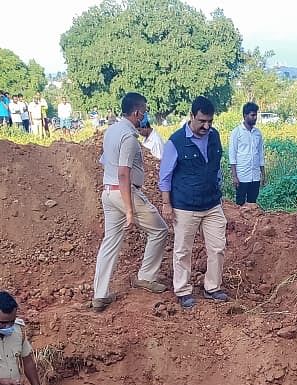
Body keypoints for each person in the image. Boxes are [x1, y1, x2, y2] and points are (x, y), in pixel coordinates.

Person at [92, 92, 170, 312]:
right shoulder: (128, 137)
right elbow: (124, 173)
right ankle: (146, 276)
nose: (145, 117)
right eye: (144, 112)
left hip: (107, 192)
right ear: (137, 113)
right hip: (124, 192)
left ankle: (100, 295)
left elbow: (104, 163)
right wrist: (128, 209)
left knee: (110, 242)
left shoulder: (111, 131)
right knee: (160, 230)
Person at [159, 95, 228, 311]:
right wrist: (166, 204)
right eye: (202, 121)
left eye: (210, 121)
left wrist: (218, 186)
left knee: (218, 247)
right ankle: (182, 291)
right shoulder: (176, 142)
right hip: (185, 206)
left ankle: (212, 287)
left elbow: (216, 166)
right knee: (182, 251)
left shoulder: (214, 136)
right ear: (192, 117)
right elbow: (165, 176)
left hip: (212, 204)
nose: (206, 126)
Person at [229, 101, 266, 205]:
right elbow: (232, 155)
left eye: (256, 115)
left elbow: (260, 154)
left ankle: (252, 222)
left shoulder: (257, 133)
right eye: (252, 115)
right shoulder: (237, 132)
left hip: (255, 175)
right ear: (245, 115)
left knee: (252, 203)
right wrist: (234, 176)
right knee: (240, 203)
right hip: (242, 175)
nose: (255, 118)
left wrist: (263, 174)